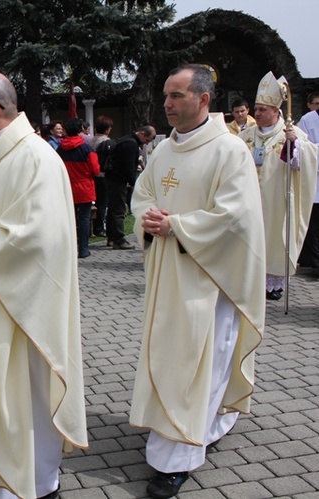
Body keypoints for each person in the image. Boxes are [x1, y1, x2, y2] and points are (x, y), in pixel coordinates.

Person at [0, 71, 87, 499]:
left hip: (23, 307)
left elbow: (41, 239)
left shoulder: (34, 158)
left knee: (23, 396)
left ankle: (36, 486)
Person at [130, 64, 265, 499]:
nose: (166, 104)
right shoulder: (165, 151)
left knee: (202, 362)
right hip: (168, 272)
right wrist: (148, 219)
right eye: (165, 96)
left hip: (209, 276)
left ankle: (180, 457)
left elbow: (237, 215)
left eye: (177, 96)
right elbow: (143, 193)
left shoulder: (229, 151)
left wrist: (179, 227)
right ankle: (191, 423)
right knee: (171, 356)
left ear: (204, 99)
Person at [238, 71, 318, 300]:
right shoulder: (246, 136)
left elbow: (309, 160)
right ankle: (250, 280)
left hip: (277, 200)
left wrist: (297, 146)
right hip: (249, 200)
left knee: (274, 239)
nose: (258, 113)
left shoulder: (291, 134)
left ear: (276, 111)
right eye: (256, 108)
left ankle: (273, 284)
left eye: (263, 109)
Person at [105, 125, 156, 250]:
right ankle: (119, 239)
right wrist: (134, 183)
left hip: (112, 178)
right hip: (118, 180)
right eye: (147, 140)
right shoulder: (131, 144)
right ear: (143, 133)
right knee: (119, 210)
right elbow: (128, 167)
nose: (146, 143)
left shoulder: (126, 140)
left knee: (113, 209)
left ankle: (112, 237)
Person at [58, 118, 100, 258]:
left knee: (69, 219)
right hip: (84, 187)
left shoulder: (60, 149)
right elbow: (95, 169)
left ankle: (68, 248)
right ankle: (83, 249)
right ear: (80, 130)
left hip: (67, 186)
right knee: (84, 219)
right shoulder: (86, 148)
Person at [298, 92, 319, 275]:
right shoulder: (307, 119)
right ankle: (315, 263)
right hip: (316, 178)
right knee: (314, 225)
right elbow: (302, 146)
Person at [89, 116, 113, 237]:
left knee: (94, 201)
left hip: (92, 174)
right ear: (107, 129)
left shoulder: (90, 140)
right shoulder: (106, 142)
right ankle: (99, 227)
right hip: (103, 175)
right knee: (102, 202)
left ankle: (92, 227)